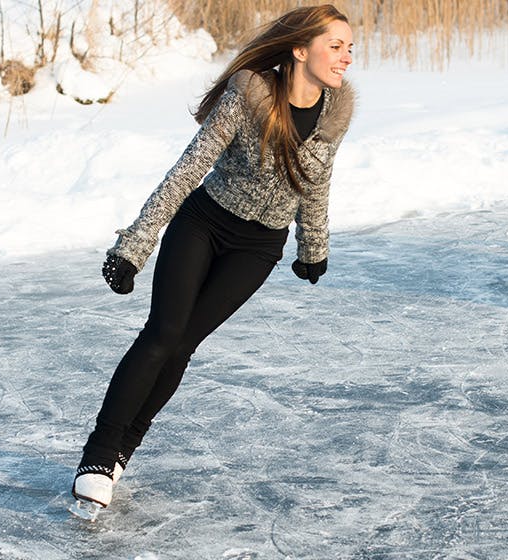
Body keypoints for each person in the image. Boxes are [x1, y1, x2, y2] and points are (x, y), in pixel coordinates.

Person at [71, 4, 356, 518]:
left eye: (349, 48)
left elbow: (316, 183)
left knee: (183, 343)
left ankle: (122, 452)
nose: (346, 57)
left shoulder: (335, 112)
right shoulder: (249, 94)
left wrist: (313, 245)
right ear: (300, 49)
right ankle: (97, 455)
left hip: (259, 246)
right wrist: (136, 244)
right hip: (204, 222)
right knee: (162, 334)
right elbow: (188, 170)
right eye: (335, 46)